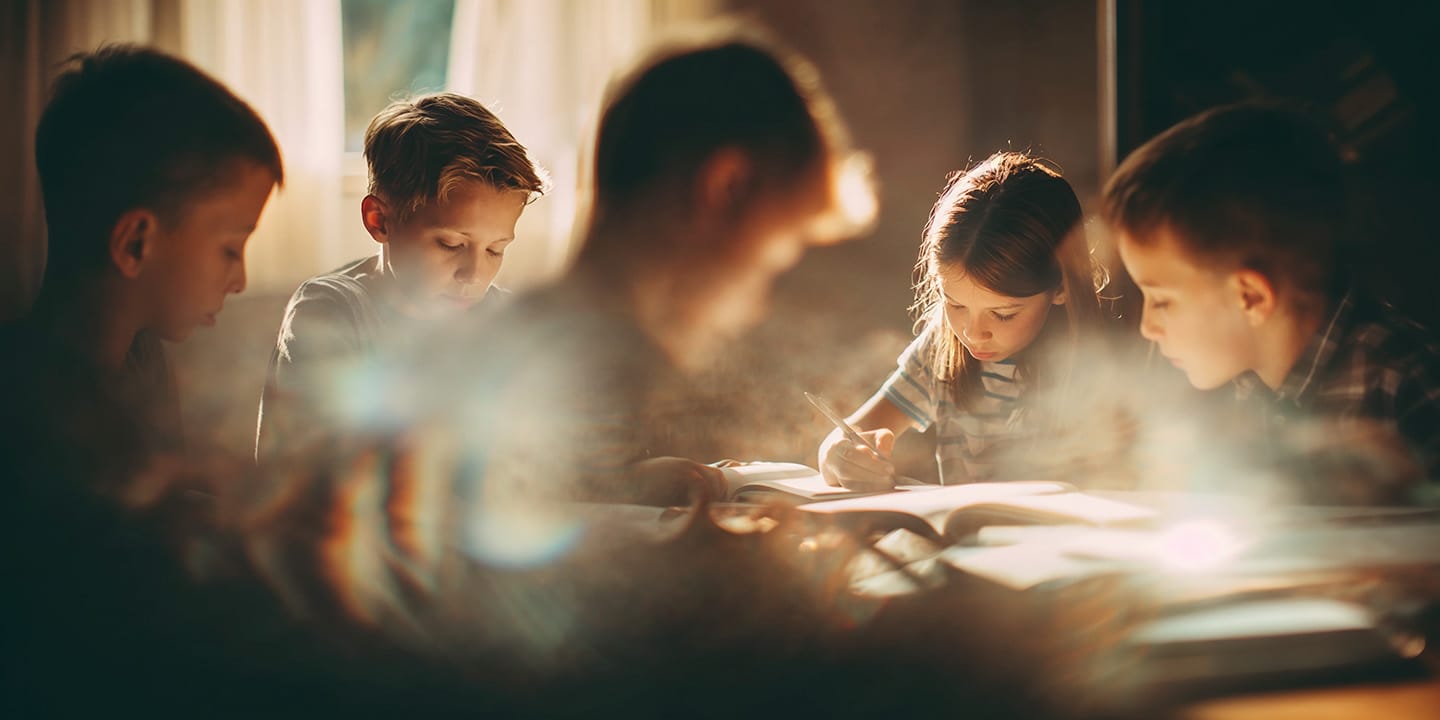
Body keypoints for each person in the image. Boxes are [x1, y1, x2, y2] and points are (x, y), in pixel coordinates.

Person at [0, 44, 284, 713]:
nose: (240, 278)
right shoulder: (33, 415)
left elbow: (163, 506)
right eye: (229, 247)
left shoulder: (140, 357)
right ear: (135, 244)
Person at [1103, 102, 1440, 504]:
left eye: (1161, 301)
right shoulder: (1225, 383)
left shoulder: (1402, 380)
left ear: (1250, 297)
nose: (1147, 328)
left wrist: (1409, 496)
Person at [255, 92, 548, 463]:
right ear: (379, 220)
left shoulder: (501, 319)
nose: (474, 275)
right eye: (451, 244)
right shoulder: (331, 312)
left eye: (496, 250)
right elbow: (321, 472)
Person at [818, 152, 1112, 490]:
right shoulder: (941, 350)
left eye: (1003, 314)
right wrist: (843, 457)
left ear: (1060, 285)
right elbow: (842, 439)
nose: (973, 333)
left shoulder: (1105, 366)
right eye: (954, 304)